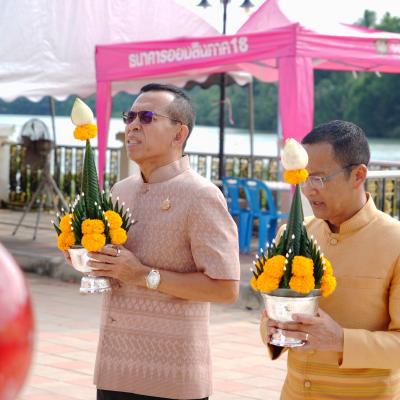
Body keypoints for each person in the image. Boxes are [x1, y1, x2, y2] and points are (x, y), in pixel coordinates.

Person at [260, 120, 400, 399]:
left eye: (319, 179)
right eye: (303, 177)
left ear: (358, 175)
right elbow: (270, 318)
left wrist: (340, 340)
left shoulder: (394, 241)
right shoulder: (291, 235)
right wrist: (272, 328)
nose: (307, 190)